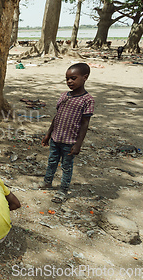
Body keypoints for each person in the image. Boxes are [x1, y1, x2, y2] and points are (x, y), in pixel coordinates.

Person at [39, 63, 95, 203]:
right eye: (67, 79)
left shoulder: (87, 100)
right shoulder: (64, 95)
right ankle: (47, 182)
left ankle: (63, 190)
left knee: (66, 166)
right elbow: (57, 116)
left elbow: (84, 123)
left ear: (85, 77)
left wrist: (78, 144)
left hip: (70, 141)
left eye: (73, 78)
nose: (69, 81)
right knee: (52, 161)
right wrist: (48, 134)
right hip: (56, 138)